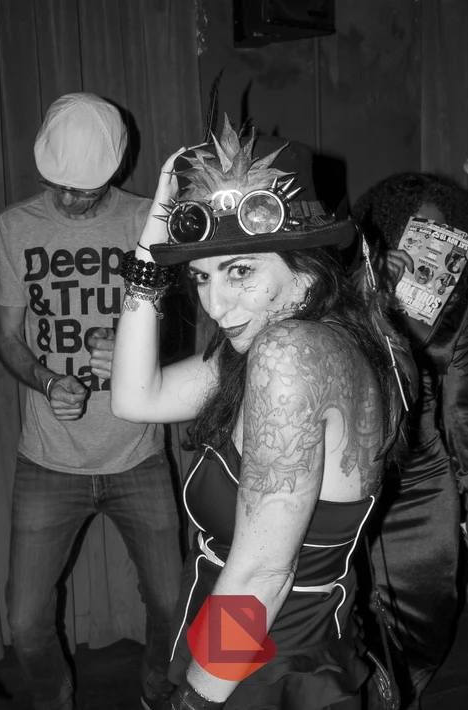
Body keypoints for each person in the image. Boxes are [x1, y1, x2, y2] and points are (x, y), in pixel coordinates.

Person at [111, 118, 413, 710]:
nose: (215, 305)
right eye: (200, 276)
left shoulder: (289, 355)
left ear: (306, 266)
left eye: (241, 271)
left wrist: (196, 700)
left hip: (260, 668)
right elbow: (134, 398)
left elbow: (263, 576)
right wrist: (150, 251)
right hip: (253, 646)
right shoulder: (301, 344)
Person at [0, 93, 184, 710]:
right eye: (60, 187)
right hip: (48, 459)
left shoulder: (148, 222)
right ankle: (55, 701)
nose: (72, 200)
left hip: (138, 456)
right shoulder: (14, 228)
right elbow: (6, 335)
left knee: (171, 604)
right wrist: (48, 381)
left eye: (87, 189)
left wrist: (136, 351)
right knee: (24, 621)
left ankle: (157, 691)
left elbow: (184, 330)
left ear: (116, 167)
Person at [353, 171, 468, 709]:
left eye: (446, 236)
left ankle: (405, 694)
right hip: (358, 471)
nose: (432, 247)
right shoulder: (351, 287)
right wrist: (370, 290)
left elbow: (459, 403)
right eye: (418, 232)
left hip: (424, 478)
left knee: (432, 608)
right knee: (359, 615)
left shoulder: (457, 311)